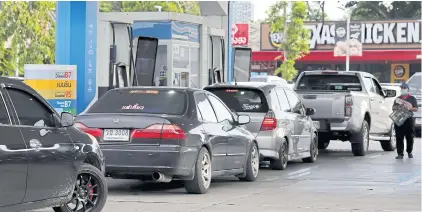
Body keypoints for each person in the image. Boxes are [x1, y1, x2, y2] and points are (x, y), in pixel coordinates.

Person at [392, 82, 419, 159]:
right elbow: (393, 108)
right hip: (399, 119)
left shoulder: (412, 98)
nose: (403, 90)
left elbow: (416, 108)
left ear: (407, 89)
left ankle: (409, 151)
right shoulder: (397, 99)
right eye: (402, 88)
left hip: (409, 119)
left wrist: (409, 108)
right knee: (399, 136)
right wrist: (398, 108)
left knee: (410, 137)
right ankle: (400, 153)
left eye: (404, 88)